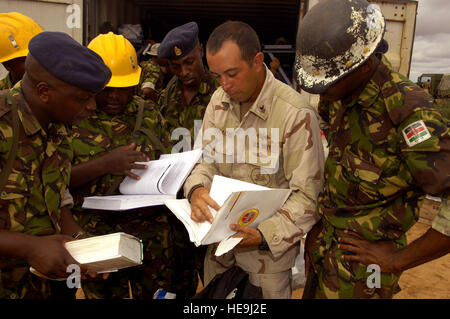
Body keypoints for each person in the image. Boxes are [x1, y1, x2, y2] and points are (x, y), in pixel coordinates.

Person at [295, 0, 450, 299]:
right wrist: (318, 226)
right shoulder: (337, 94)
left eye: (329, 83)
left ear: (365, 63)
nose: (322, 92)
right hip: (323, 250)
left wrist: (397, 260)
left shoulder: (410, 112)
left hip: (364, 273)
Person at [183, 20, 325, 299]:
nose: (224, 85)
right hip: (218, 254)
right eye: (217, 76)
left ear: (258, 61)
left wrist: (262, 234)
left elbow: (309, 197)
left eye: (232, 74)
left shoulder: (295, 114)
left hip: (266, 262)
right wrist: (196, 190)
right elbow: (206, 162)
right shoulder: (218, 102)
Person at [70, 32, 198, 299]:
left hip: (152, 239)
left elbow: (167, 160)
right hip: (98, 238)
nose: (115, 96)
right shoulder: (73, 117)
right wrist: (105, 164)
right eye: (107, 88)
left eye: (124, 87)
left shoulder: (148, 113)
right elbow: (55, 183)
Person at [0, 31, 111, 299]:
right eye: (82, 98)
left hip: (46, 285)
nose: (92, 107)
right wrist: (30, 248)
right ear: (44, 92)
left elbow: (57, 200)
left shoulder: (59, 128)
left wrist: (81, 243)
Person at [157, 21, 219, 145]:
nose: (184, 72)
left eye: (189, 62)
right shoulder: (166, 97)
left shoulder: (221, 92)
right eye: (176, 66)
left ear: (201, 51)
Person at [0, 12, 43, 90]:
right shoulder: (3, 98)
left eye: (41, 55)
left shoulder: (60, 88)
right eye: (27, 60)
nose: (39, 64)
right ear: (7, 65)